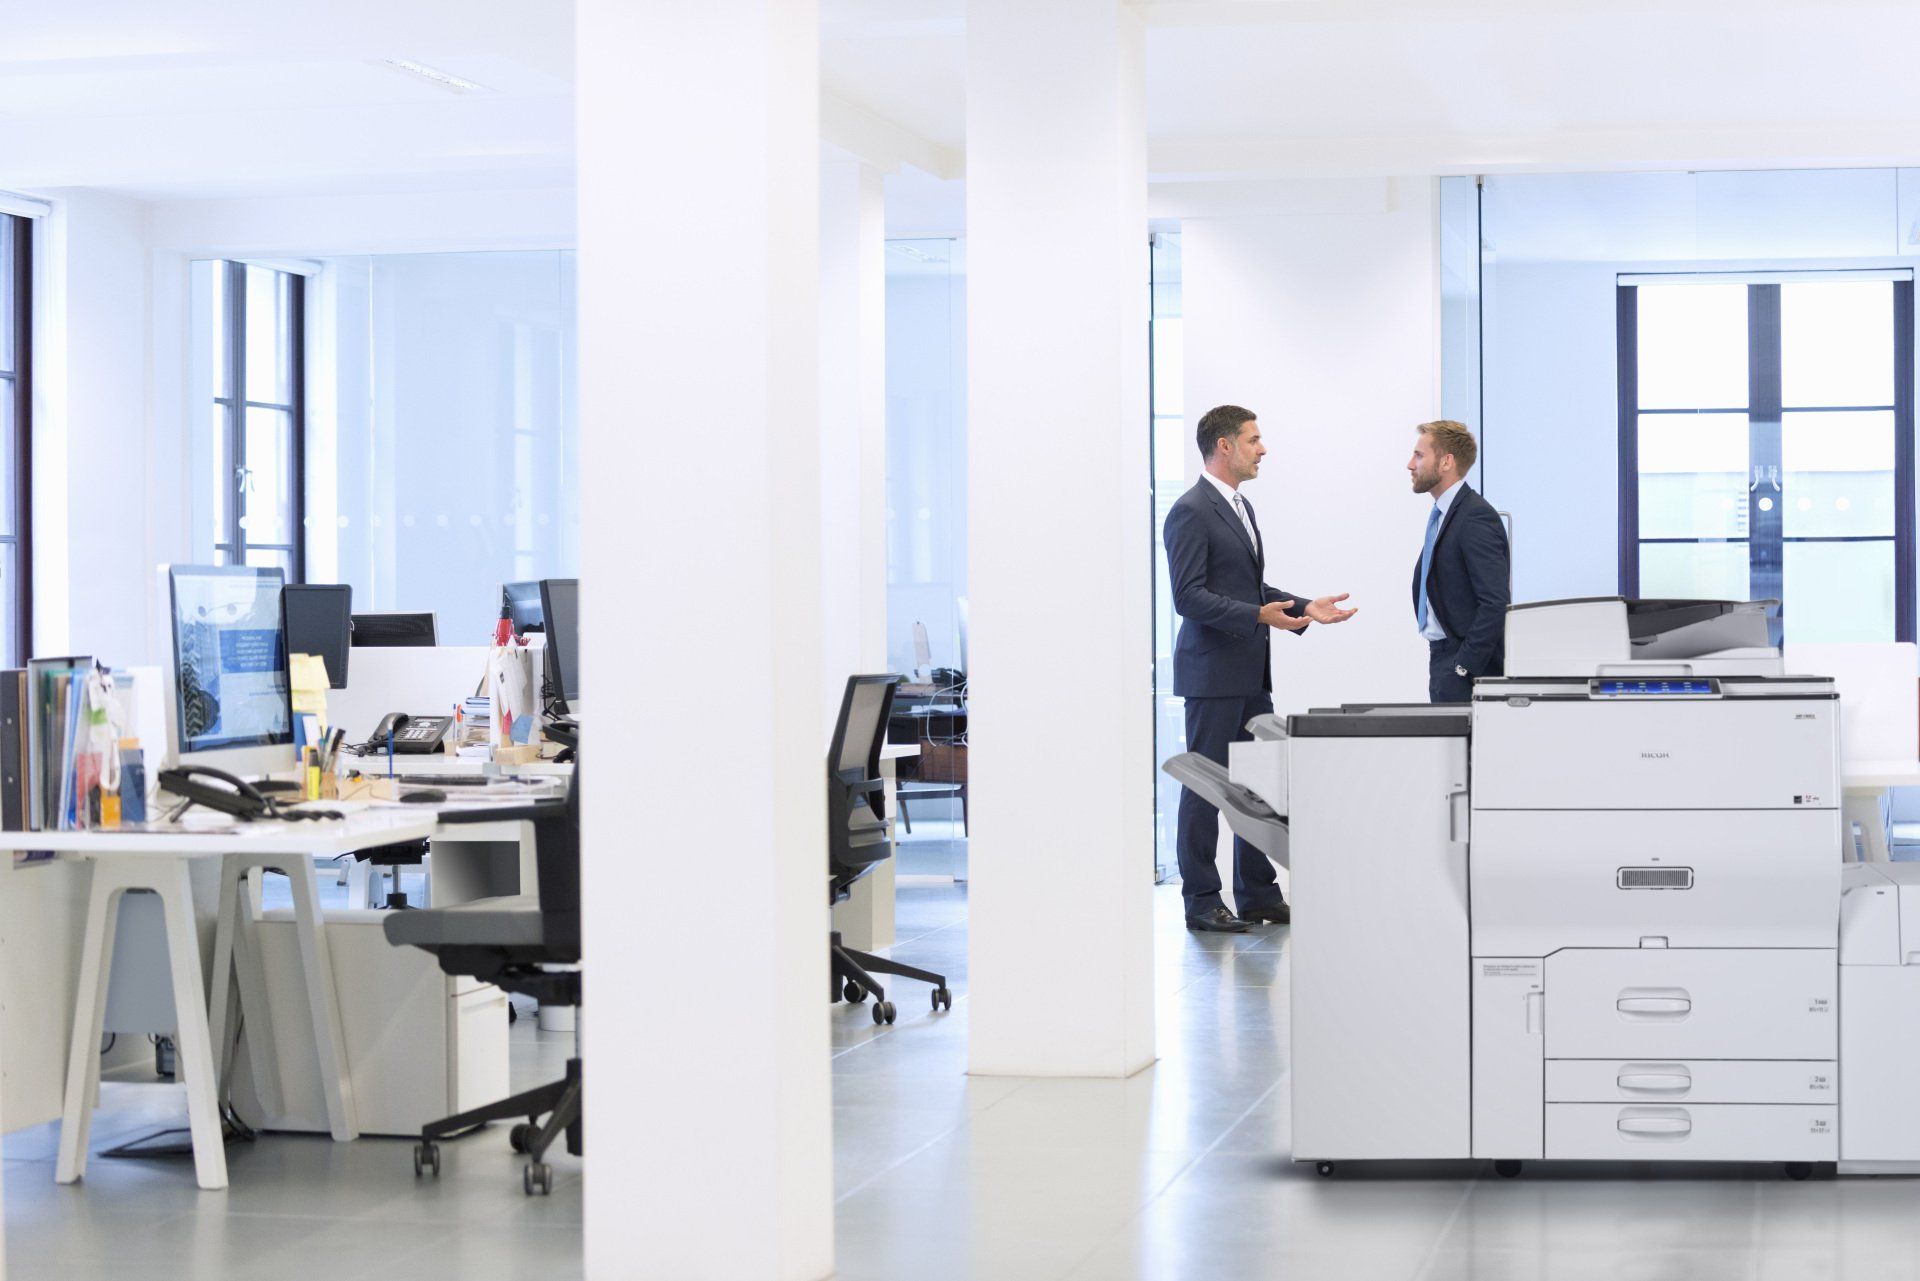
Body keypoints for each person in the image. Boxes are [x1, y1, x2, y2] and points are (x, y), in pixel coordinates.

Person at [1164, 405, 1356, 933]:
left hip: (1249, 673)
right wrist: (1256, 616)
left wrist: (1304, 607)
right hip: (1212, 676)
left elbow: (1248, 589)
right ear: (1224, 446)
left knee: (1257, 786)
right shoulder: (1190, 510)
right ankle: (1202, 900)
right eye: (1253, 440)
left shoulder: (1240, 506)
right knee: (1206, 788)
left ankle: (1257, 896)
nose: (1262, 449)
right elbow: (1187, 597)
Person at [1407, 419, 1511, 703]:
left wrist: (1464, 665)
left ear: (1446, 462)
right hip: (1443, 658)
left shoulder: (1474, 516)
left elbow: (1495, 602)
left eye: (1419, 455)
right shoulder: (1446, 515)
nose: (1410, 465)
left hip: (1465, 669)